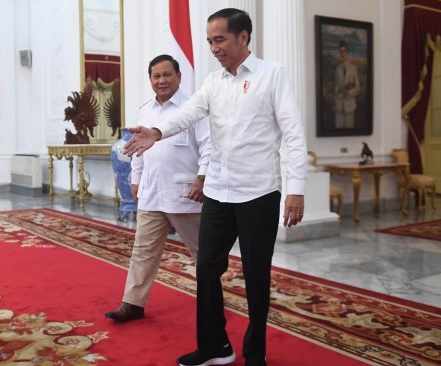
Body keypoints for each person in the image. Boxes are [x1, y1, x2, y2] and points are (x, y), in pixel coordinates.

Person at [123, 8, 307, 366]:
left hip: (259, 193)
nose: (214, 47)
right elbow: (189, 113)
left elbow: (294, 134)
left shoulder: (273, 75)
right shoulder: (212, 82)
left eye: (219, 39)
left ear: (243, 37)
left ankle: (256, 353)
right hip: (219, 193)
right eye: (209, 41)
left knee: (256, 275)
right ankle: (215, 347)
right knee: (207, 267)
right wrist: (157, 131)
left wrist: (296, 188)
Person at [105, 54, 212, 322]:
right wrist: (135, 180)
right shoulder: (145, 110)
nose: (161, 80)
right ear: (150, 79)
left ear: (179, 76)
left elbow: (209, 147)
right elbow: (138, 148)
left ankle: (212, 301)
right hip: (152, 193)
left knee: (204, 253)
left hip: (186, 194)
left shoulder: (193, 108)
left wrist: (202, 178)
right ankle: (133, 303)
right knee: (143, 250)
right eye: (156, 76)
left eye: (167, 75)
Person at [334, 40, 360, 129]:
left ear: (347, 52)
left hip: (350, 106)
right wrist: (339, 91)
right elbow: (336, 88)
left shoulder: (353, 68)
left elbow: (358, 88)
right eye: (340, 52)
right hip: (339, 106)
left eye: (344, 51)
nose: (342, 54)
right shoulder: (337, 69)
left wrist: (348, 92)